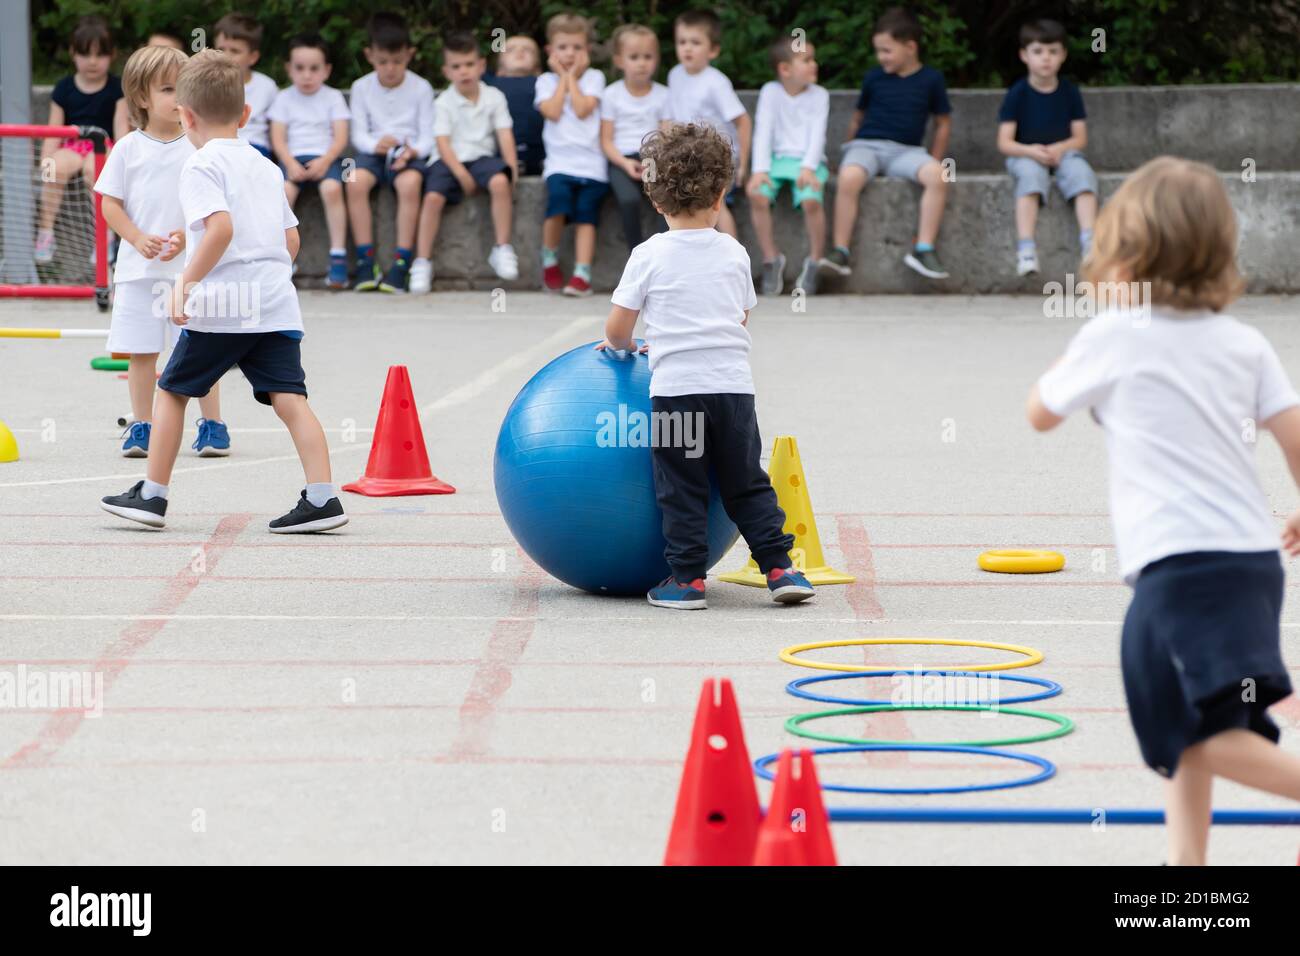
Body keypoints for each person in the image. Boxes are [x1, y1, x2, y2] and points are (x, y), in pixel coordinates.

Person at [1026, 157, 1300, 865]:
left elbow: (1041, 414)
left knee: (1181, 722)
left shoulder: (1116, 337)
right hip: (1251, 565)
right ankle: (1185, 868)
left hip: (1181, 570)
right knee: (1201, 722)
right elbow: (1295, 435)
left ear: (1125, 251)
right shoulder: (1244, 342)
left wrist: (1085, 350)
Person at [101, 50, 346, 534]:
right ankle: (323, 498)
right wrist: (268, 276)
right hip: (275, 305)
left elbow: (219, 230)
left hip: (224, 307)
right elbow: (290, 239)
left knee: (171, 393)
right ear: (247, 114)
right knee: (290, 399)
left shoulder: (199, 165)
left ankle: (152, 495)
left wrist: (183, 287)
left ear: (186, 116)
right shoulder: (265, 166)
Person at [600, 122, 814, 610]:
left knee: (681, 487)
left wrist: (627, 345)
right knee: (745, 482)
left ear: (655, 200)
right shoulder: (734, 252)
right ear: (720, 194)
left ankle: (688, 580)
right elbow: (739, 314)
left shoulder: (647, 254)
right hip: (733, 391)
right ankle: (781, 569)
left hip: (676, 392)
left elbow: (617, 328)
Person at [95, 44, 229, 459]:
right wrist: (135, 237)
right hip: (138, 271)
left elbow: (214, 207)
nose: (178, 98)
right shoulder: (127, 148)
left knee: (200, 347)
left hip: (190, 272)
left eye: (183, 88)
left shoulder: (200, 147)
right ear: (141, 97)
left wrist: (188, 239)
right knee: (141, 351)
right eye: (169, 89)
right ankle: (141, 425)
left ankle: (212, 424)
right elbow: (109, 204)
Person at [821, 6, 952, 281]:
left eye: (887, 50)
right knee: (849, 177)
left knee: (938, 177)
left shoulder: (931, 80)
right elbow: (857, 119)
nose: (881, 57)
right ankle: (840, 250)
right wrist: (848, 150)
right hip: (867, 146)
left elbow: (943, 123)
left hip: (907, 152)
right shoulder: (874, 77)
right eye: (878, 51)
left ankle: (923, 248)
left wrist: (936, 158)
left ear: (910, 47)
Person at [413, 30, 519, 293]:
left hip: (482, 158)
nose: (464, 71)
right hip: (448, 161)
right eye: (456, 66)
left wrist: (512, 168)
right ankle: (422, 261)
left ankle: (502, 247)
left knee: (499, 182)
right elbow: (443, 144)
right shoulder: (444, 102)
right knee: (433, 198)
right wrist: (460, 175)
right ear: (446, 71)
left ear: (481, 65)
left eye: (469, 64)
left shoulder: (494, 96)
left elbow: (505, 135)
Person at [997, 18, 1098, 276]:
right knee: (1030, 177)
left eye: (1053, 52)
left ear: (1063, 55)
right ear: (1024, 55)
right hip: (1026, 155)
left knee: (1083, 176)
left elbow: (1080, 138)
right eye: (1038, 52)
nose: (1046, 59)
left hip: (1063, 154)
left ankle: (1090, 243)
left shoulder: (1069, 92)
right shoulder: (1017, 94)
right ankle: (1026, 249)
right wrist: (1031, 151)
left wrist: (1060, 149)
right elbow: (1005, 142)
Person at [346, 12, 436, 293]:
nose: (390, 68)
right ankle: (365, 260)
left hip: (408, 153)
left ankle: (401, 263)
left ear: (409, 55)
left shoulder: (421, 88)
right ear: (369, 55)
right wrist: (375, 145)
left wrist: (413, 151)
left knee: (410, 184)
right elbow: (357, 133)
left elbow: (428, 135)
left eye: (397, 61)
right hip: (373, 152)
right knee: (354, 180)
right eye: (383, 61)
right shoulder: (361, 87)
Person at [37, 15, 129, 264]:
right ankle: (45, 232)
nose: (92, 61)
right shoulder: (64, 88)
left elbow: (121, 128)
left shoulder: (116, 88)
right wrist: (46, 159)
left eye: (100, 55)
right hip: (72, 144)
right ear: (72, 53)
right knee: (55, 168)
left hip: (103, 145)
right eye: (85, 54)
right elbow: (53, 128)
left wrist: (123, 158)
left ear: (112, 55)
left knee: (95, 170)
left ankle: (104, 239)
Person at [747, 34, 830, 295]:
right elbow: (763, 131)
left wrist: (808, 167)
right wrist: (759, 170)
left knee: (810, 199)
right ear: (785, 69)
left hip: (809, 162)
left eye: (813, 59)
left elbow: (818, 134)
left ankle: (815, 260)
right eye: (806, 60)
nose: (814, 64)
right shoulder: (770, 93)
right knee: (756, 194)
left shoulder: (819, 95)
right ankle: (772, 258)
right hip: (776, 162)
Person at [267, 34, 351, 288]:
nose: (306, 75)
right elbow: (278, 138)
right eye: (299, 68)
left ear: (326, 71)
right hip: (293, 159)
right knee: (283, 191)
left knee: (332, 188)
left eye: (314, 69)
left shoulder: (333, 97)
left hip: (326, 159)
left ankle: (338, 256)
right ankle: (283, 258)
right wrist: (289, 163)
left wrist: (325, 161)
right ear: (288, 69)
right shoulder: (283, 98)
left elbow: (341, 137)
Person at [535, 13, 607, 296]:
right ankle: (549, 258)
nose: (570, 53)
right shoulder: (544, 81)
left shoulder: (595, 78)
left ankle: (582, 273)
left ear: (587, 51)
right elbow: (552, 112)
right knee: (558, 207)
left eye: (577, 48)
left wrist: (569, 78)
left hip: (592, 166)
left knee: (586, 218)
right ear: (550, 51)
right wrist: (563, 77)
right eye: (563, 47)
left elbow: (581, 109)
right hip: (560, 164)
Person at [666, 10, 751, 240]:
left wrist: (742, 163)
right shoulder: (675, 75)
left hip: (718, 156)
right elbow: (671, 119)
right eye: (682, 42)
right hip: (688, 155)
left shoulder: (716, 82)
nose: (687, 48)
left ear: (713, 50)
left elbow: (743, 121)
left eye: (695, 42)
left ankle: (734, 256)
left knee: (712, 201)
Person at [600, 24, 670, 251]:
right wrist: (624, 163)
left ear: (657, 59)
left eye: (648, 57)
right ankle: (636, 255)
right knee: (629, 200)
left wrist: (652, 161)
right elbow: (606, 140)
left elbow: (666, 135)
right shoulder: (611, 94)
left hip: (652, 158)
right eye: (634, 57)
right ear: (619, 61)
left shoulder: (663, 94)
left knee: (662, 200)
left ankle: (663, 253)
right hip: (620, 160)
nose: (641, 63)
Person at [213, 12, 279, 163]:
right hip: (219, 147)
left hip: (256, 148)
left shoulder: (267, 86)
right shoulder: (208, 84)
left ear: (253, 57)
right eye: (221, 49)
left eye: (235, 51)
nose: (226, 56)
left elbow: (275, 129)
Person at [484, 36, 545, 178]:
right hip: (500, 151)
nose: (520, 52)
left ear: (537, 65)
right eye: (510, 50)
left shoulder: (544, 82)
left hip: (539, 152)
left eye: (528, 50)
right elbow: (478, 63)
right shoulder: (491, 82)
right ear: (499, 65)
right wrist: (497, 36)